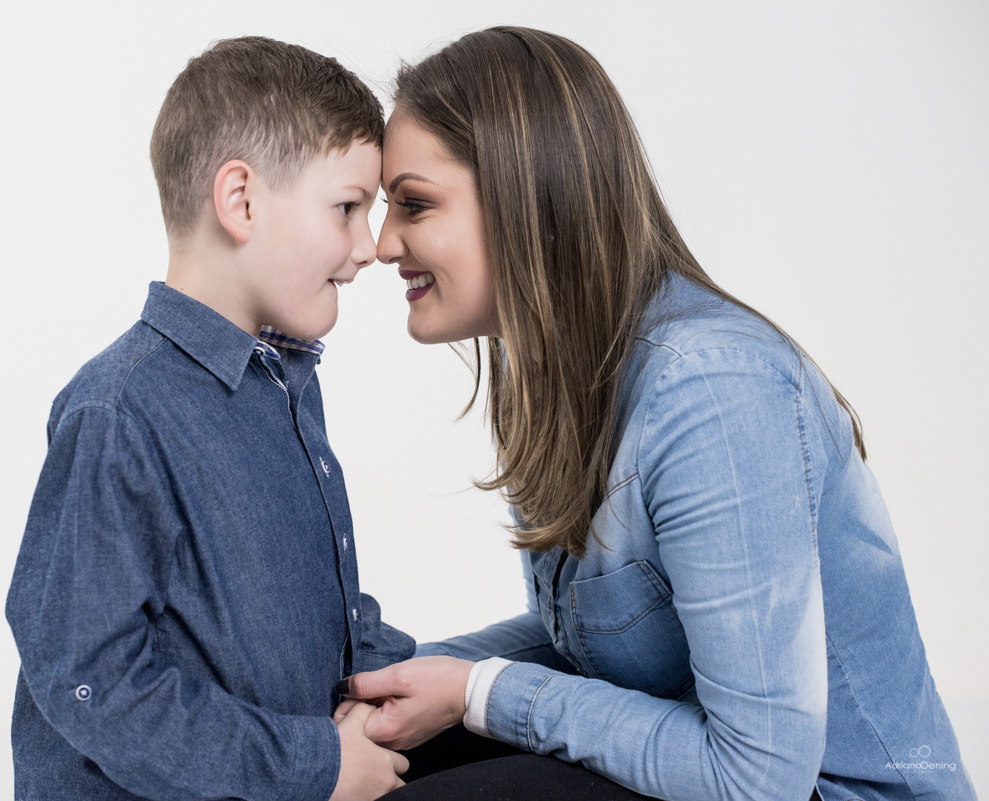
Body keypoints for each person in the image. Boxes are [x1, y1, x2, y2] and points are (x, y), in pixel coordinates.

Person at [337, 26, 977, 801]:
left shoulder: (711, 392)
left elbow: (757, 777)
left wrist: (477, 691)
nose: (381, 243)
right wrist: (387, 680)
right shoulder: (549, 369)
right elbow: (601, 649)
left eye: (413, 204)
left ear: (527, 197)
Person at [5, 36, 415, 801]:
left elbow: (310, 612)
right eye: (348, 208)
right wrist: (315, 764)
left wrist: (401, 688)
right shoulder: (118, 413)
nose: (369, 247)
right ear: (241, 201)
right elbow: (91, 681)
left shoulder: (286, 382)